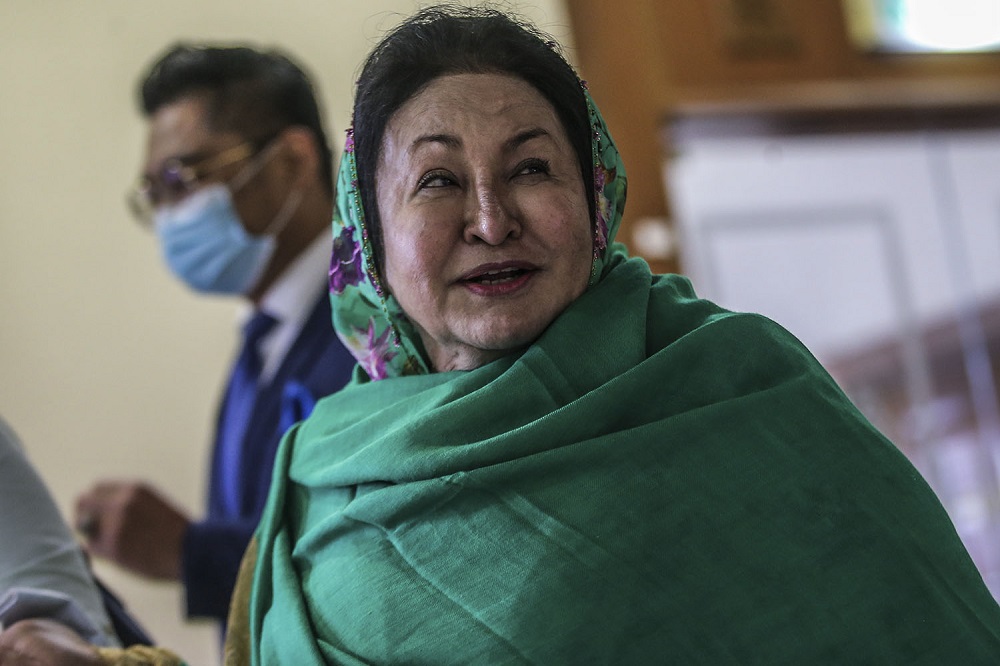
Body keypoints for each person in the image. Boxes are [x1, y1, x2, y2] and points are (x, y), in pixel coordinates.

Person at [8, 5, 1000, 664]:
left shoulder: (740, 389)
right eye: (437, 180)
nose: (490, 220)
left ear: (594, 189)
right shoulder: (325, 471)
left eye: (530, 168)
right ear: (374, 233)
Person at [72, 43, 355, 628]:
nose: (171, 214)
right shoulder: (259, 344)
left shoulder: (372, 331)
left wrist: (189, 550)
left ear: (293, 161)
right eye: (154, 192)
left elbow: (362, 553)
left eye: (183, 177)